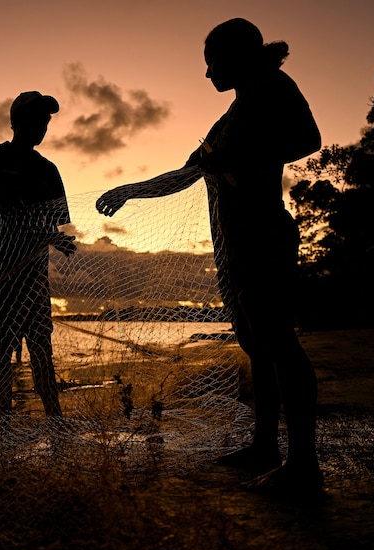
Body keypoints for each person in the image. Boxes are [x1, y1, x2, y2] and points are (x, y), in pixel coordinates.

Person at [96, 18, 323, 495]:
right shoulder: (227, 118)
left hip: (264, 235)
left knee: (279, 342)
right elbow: (186, 173)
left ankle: (304, 466)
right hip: (233, 244)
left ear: (236, 54)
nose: (206, 75)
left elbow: (308, 139)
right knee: (258, 348)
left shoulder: (273, 86)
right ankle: (264, 447)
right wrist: (130, 191)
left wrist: (238, 160)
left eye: (210, 62)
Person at [0, 90, 77, 432]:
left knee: (41, 346)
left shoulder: (48, 170)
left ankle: (55, 420)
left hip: (33, 273)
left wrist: (62, 240)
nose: (40, 127)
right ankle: (5, 424)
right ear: (15, 122)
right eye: (34, 120)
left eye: (45, 122)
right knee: (2, 347)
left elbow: (57, 221)